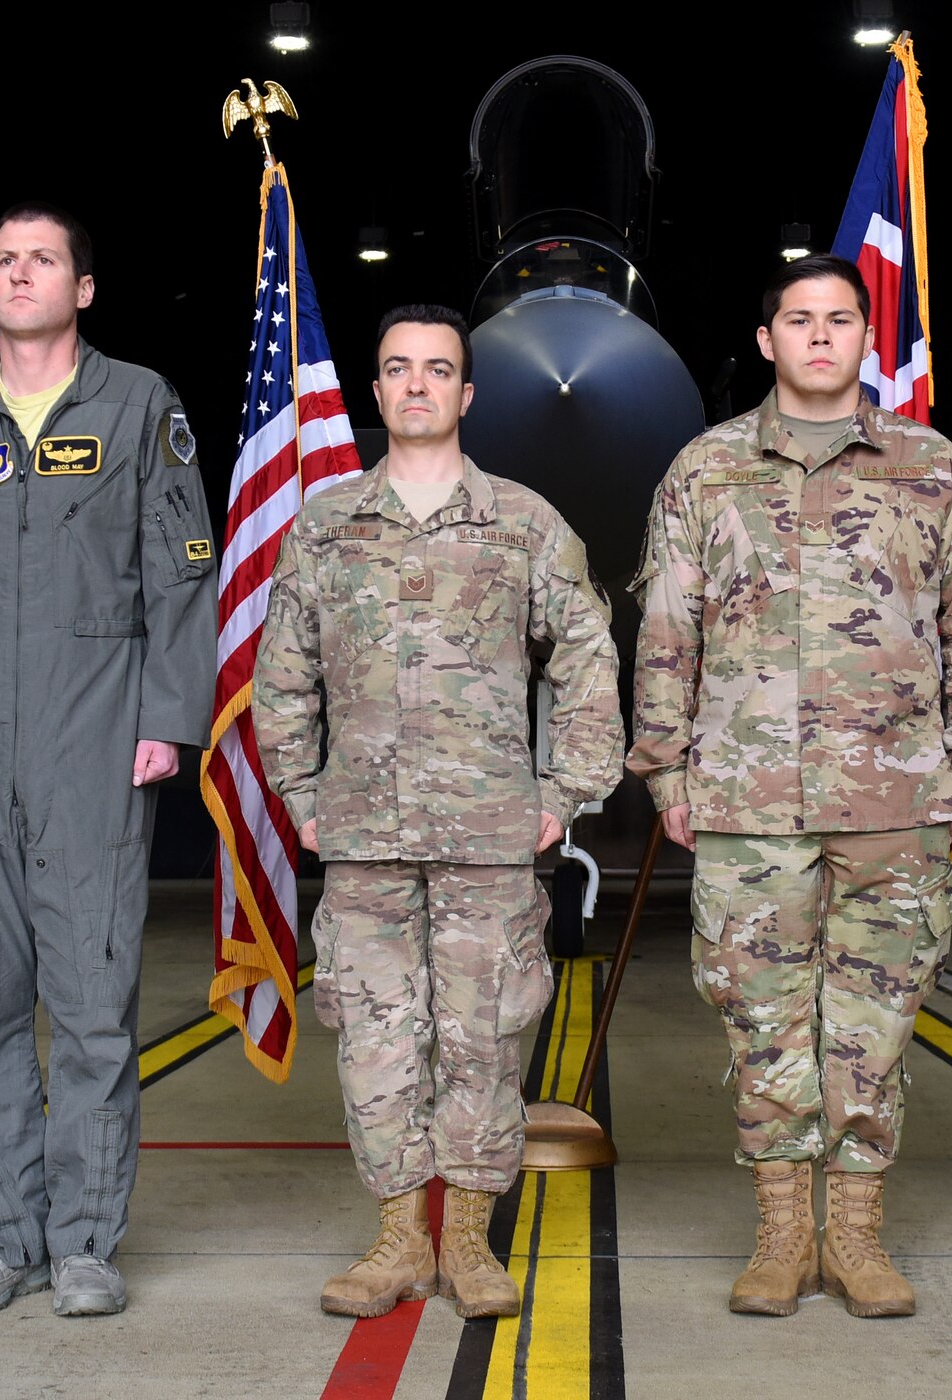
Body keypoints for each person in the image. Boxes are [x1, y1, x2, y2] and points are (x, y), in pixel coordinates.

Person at [627, 254, 952, 1318]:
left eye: (839, 319)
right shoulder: (704, 470)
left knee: (873, 1021)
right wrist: (664, 771)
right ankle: (781, 1233)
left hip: (895, 798)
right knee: (759, 1018)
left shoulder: (933, 470)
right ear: (767, 341)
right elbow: (667, 632)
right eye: (798, 319)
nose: (818, 336)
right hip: (748, 800)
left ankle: (855, 1235)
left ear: (863, 337)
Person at [0, 202, 216, 1318]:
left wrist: (168, 712)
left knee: (90, 1001)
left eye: (43, 259)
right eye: (3, 260)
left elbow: (179, 568)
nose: (20, 274)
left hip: (94, 735)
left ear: (83, 288)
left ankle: (81, 1240)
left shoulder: (137, 403)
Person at [254, 304, 624, 1320]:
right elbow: (280, 673)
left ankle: (464, 1237)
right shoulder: (325, 524)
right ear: (374, 392)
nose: (415, 384)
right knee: (375, 1036)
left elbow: (588, 653)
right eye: (396, 369)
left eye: (437, 370)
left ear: (466, 393)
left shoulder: (522, 521)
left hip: (489, 838)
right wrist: (297, 791)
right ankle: (393, 1240)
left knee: (483, 1036)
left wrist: (563, 792)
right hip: (365, 836)